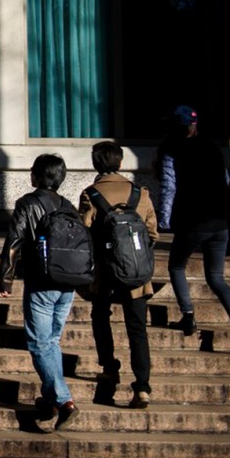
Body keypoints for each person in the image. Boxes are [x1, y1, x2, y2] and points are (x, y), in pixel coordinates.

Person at [157, 105, 230, 354]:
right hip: (220, 221)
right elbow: (225, 181)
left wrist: (164, 221)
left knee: (176, 265)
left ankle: (188, 315)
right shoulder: (211, 146)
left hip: (193, 220)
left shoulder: (172, 149)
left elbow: (169, 186)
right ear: (194, 125)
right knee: (216, 278)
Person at [0, 153, 80, 430]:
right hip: (68, 282)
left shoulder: (27, 203)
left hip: (41, 282)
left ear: (37, 176)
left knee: (38, 342)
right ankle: (49, 401)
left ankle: (64, 401)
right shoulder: (69, 206)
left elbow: (14, 241)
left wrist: (6, 278)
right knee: (52, 342)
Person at [77, 141, 158, 409]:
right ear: (121, 163)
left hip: (105, 272)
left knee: (101, 316)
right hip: (136, 272)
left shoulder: (91, 195)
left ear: (96, 164)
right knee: (138, 328)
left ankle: (110, 366)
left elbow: (83, 234)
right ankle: (142, 387)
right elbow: (153, 234)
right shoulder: (140, 194)